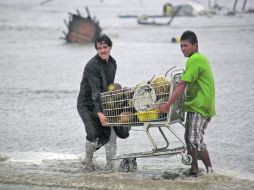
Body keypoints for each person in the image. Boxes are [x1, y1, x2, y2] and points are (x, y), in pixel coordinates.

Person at [159, 31, 215, 176]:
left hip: (199, 106)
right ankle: (201, 170)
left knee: (193, 140)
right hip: (201, 105)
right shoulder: (198, 59)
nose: (183, 49)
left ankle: (202, 170)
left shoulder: (195, 59)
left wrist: (167, 104)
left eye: (186, 46)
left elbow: (182, 84)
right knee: (193, 139)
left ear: (195, 46)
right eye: (181, 46)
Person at [77, 34, 130, 171]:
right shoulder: (91, 66)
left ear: (110, 47)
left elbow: (108, 88)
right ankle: (87, 162)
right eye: (99, 48)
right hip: (87, 105)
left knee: (112, 134)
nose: (102, 50)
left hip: (103, 102)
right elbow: (96, 92)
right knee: (94, 135)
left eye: (105, 47)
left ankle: (110, 167)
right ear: (96, 49)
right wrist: (100, 113)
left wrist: (119, 94)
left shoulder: (113, 63)